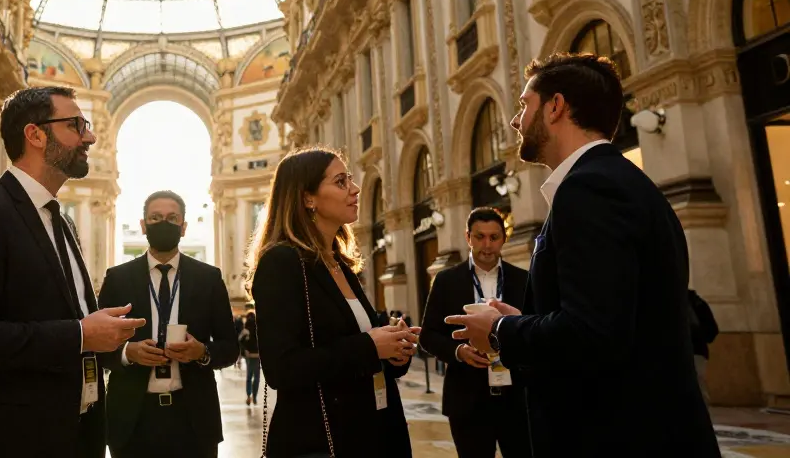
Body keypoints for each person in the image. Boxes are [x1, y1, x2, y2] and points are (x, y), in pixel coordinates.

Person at [446, 54, 720, 458]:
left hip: (619, 437)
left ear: (555, 107)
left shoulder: (588, 189)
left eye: (524, 104)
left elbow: (593, 334)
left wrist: (501, 330)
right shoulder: (621, 181)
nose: (515, 120)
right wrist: (521, 322)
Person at [0, 86, 145, 458]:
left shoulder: (61, 223)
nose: (90, 137)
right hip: (12, 440)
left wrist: (108, 340)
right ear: (34, 134)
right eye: (75, 125)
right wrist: (81, 334)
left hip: (76, 434)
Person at [249, 147, 420, 457]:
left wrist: (394, 350)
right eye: (341, 181)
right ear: (307, 198)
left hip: (373, 432)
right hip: (323, 440)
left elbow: (355, 349)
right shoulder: (282, 262)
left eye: (350, 179)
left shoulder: (338, 263)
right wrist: (370, 346)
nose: (354, 189)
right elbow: (281, 369)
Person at [98, 190, 240, 458]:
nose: (164, 223)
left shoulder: (209, 278)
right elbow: (97, 347)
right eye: (155, 217)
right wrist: (128, 353)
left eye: (172, 218)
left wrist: (202, 352)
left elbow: (230, 348)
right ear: (143, 225)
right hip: (132, 420)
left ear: (183, 227)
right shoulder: (118, 278)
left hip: (194, 420)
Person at [419, 208, 530, 458]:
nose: (487, 245)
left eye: (494, 237)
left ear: (504, 238)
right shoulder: (446, 280)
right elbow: (428, 335)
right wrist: (458, 351)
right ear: (468, 237)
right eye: (480, 237)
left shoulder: (523, 279)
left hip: (516, 400)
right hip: (467, 400)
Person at [688, 288, 720, 406]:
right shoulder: (698, 303)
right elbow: (712, 331)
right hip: (697, 351)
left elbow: (711, 331)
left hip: (694, 351)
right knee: (698, 386)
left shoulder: (695, 304)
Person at [239, 311, 260, 406]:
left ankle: (249, 395)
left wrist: (244, 351)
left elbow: (239, 341)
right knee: (256, 377)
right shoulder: (258, 329)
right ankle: (253, 396)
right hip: (257, 356)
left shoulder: (246, 330)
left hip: (250, 356)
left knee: (249, 376)